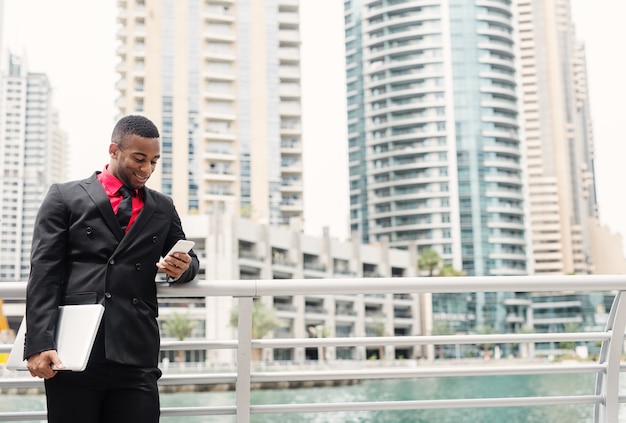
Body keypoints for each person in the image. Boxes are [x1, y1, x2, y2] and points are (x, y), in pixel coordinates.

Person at [24, 115, 200, 423]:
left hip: (136, 350)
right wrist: (39, 343)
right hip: (74, 350)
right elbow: (43, 273)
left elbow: (189, 258)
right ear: (113, 150)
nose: (147, 169)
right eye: (139, 159)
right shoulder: (64, 197)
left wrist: (183, 267)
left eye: (154, 161)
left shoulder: (162, 206)